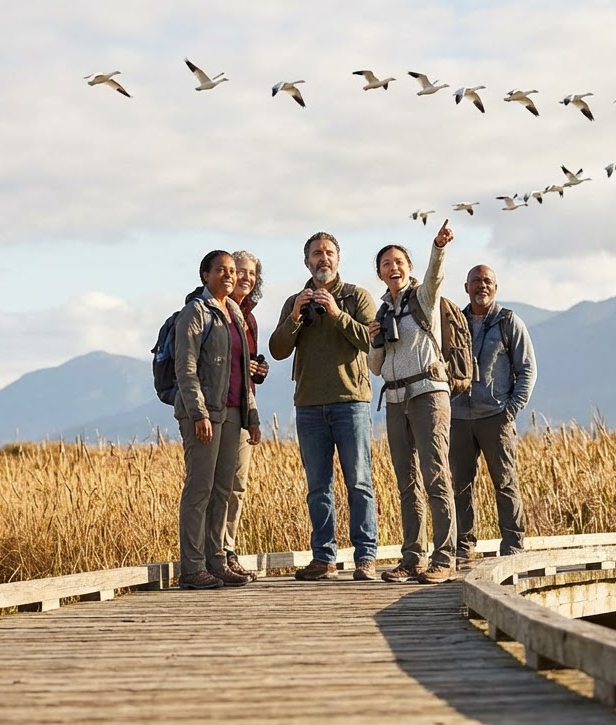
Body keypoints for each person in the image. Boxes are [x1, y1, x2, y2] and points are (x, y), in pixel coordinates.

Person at [268, 232, 379, 581]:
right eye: (316, 254)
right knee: (318, 486)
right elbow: (277, 349)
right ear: (307, 261)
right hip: (310, 405)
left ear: (338, 259)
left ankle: (365, 557)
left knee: (359, 482)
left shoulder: (356, 296)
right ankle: (324, 557)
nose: (323, 258)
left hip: (351, 403)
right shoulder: (294, 301)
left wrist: (334, 313)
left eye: (329, 253)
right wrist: (296, 316)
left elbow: (369, 341)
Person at [367, 220, 459, 584]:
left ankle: (444, 556)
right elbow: (375, 368)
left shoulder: (423, 299)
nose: (393, 267)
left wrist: (438, 248)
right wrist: (374, 340)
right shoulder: (380, 314)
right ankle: (412, 557)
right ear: (379, 273)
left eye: (399, 261)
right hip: (393, 397)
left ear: (409, 267)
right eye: (386, 263)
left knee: (435, 475)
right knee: (406, 481)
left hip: (428, 393)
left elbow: (435, 278)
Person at [172, 250, 263, 589]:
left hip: (233, 413)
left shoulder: (235, 312)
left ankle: (217, 561)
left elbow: (242, 370)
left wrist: (251, 416)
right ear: (205, 276)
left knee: (223, 489)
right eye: (220, 270)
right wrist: (199, 413)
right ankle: (192, 567)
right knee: (200, 489)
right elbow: (187, 367)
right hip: (205, 414)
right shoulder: (195, 312)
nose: (228, 275)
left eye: (230, 270)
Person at [450, 264, 536, 560]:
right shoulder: (454, 323)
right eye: (476, 281)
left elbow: (527, 369)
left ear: (495, 288)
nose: (481, 286)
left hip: (496, 415)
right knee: (459, 484)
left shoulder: (508, 322)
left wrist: (511, 409)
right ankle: (463, 545)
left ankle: (512, 544)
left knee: (505, 481)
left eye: (487, 281)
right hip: (457, 417)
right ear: (466, 287)